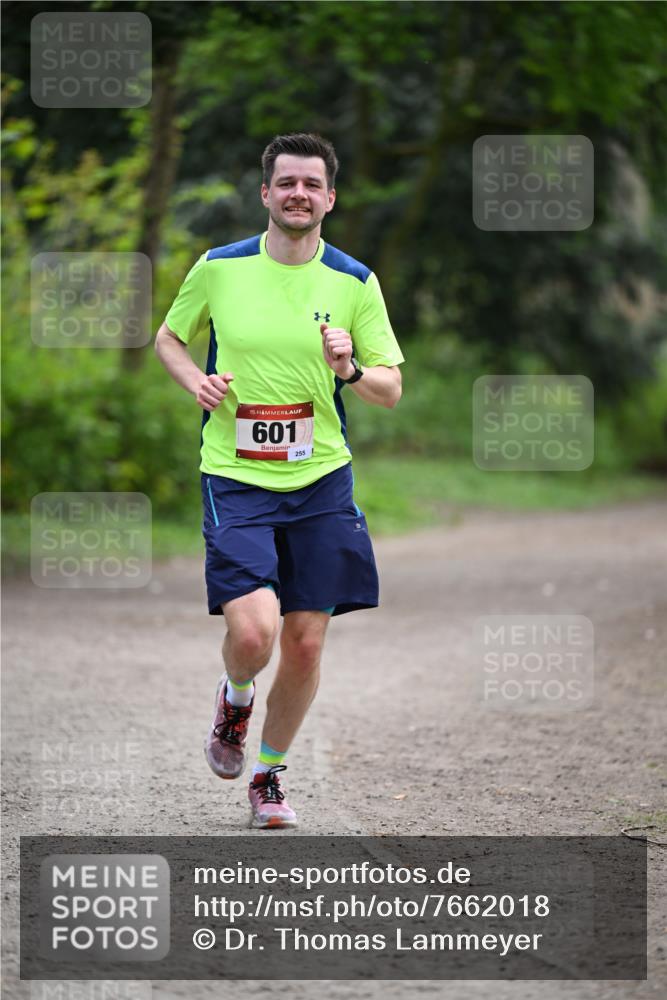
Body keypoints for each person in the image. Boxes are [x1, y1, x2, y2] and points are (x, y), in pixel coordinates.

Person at [155, 132, 404, 829]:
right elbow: (168, 339)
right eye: (285, 182)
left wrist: (350, 369)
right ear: (266, 193)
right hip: (234, 474)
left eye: (311, 184)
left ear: (329, 197)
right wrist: (194, 382)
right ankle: (235, 697)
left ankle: (267, 776)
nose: (298, 193)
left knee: (304, 642)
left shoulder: (354, 282)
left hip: (321, 478)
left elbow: (390, 389)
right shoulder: (219, 268)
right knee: (257, 631)